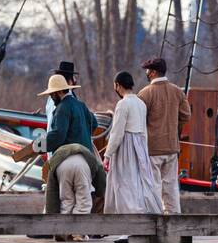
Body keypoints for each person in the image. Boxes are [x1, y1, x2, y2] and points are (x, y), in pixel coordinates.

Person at [37, 72, 104, 215]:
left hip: (65, 161)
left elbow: (58, 135)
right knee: (84, 201)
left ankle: (64, 233)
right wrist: (82, 133)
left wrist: (39, 146)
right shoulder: (81, 105)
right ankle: (78, 234)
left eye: (52, 94)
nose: (51, 97)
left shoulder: (61, 109)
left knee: (66, 201)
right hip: (85, 162)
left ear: (60, 91)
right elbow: (95, 124)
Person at [139, 56, 191, 214]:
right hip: (172, 147)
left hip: (152, 149)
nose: (147, 73)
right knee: (171, 187)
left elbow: (139, 120)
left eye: (148, 71)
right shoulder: (177, 91)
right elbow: (186, 116)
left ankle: (155, 222)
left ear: (153, 72)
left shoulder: (145, 93)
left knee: (153, 186)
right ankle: (174, 222)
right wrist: (175, 131)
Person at [103, 71, 161, 215]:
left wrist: (107, 155)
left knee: (124, 186)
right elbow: (143, 131)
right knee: (139, 185)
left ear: (117, 85)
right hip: (140, 147)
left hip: (126, 148)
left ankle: (126, 225)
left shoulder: (123, 104)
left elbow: (117, 132)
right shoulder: (141, 103)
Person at [45, 60, 79, 128]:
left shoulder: (53, 96)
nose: (75, 80)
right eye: (73, 77)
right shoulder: (62, 97)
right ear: (70, 80)